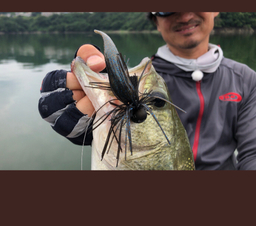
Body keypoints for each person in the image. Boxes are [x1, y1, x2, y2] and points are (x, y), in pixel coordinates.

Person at [38, 12, 256, 170]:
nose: (185, 15)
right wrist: (88, 129)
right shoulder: (140, 78)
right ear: (156, 21)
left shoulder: (247, 79)